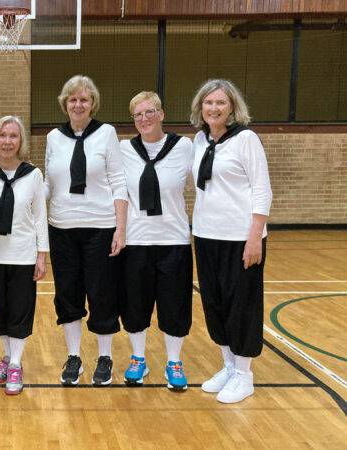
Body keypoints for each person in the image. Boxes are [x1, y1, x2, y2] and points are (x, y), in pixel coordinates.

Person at [190, 79, 272, 403]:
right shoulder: (199, 140)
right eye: (208, 103)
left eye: (220, 103)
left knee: (242, 305)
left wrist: (255, 237)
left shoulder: (246, 140)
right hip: (206, 234)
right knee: (215, 303)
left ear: (232, 107)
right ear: (201, 108)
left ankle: (244, 374)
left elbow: (262, 190)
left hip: (240, 237)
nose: (213, 108)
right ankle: (228, 365)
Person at [44, 75, 128, 386]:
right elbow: (50, 184)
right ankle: (74, 357)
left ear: (92, 103)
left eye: (84, 99)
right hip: (62, 227)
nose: (78, 104)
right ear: (65, 103)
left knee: (101, 292)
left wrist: (120, 228)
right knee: (68, 294)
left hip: (100, 227)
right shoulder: (54, 137)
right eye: (73, 99)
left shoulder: (106, 133)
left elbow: (119, 182)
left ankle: (104, 357)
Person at [119, 91, 194, 392]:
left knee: (174, 306)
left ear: (162, 114)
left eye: (150, 112)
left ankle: (174, 362)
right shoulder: (124, 149)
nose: (144, 119)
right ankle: (138, 359)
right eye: (138, 114)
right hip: (136, 240)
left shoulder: (184, 146)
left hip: (173, 240)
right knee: (135, 305)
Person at [0, 116, 49, 395]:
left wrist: (42, 255)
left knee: (20, 312)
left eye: (13, 136)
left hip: (22, 255)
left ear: (21, 142)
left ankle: (16, 364)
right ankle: (7, 359)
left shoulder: (33, 174)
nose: (7, 141)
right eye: (2, 136)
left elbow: (40, 217)